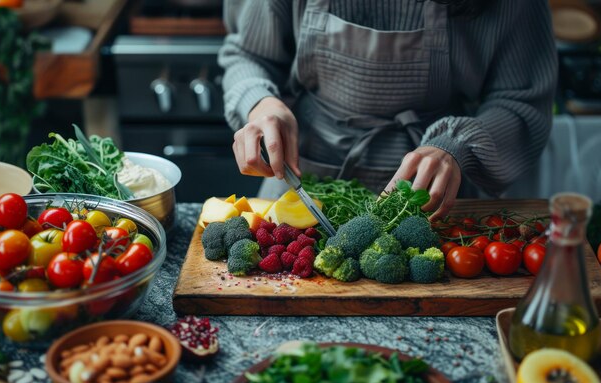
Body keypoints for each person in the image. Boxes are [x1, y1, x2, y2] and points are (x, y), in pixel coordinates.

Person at [219, 0, 557, 219]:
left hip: (435, 202)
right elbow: (249, 56)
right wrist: (262, 103)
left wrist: (456, 146)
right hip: (302, 183)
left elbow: (520, 101)